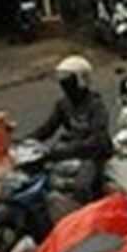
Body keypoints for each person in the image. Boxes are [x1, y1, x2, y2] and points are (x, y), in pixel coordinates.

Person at [28, 55, 112, 202]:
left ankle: (87, 220)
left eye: (68, 79)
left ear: (81, 79)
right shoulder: (63, 104)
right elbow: (47, 128)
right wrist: (26, 141)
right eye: (62, 78)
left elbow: (97, 139)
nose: (64, 83)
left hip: (93, 155)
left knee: (81, 187)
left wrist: (63, 151)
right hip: (70, 151)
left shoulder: (96, 105)